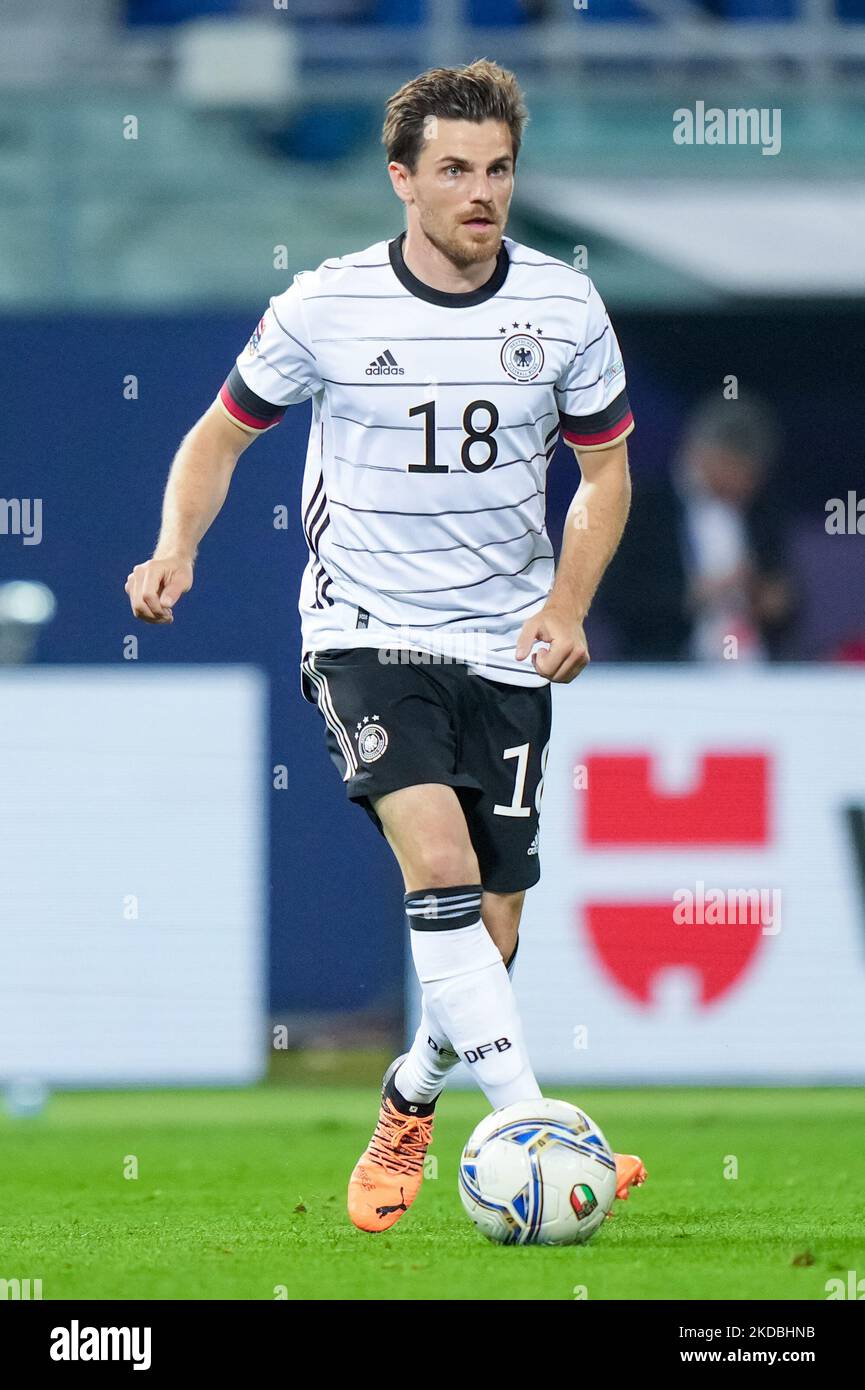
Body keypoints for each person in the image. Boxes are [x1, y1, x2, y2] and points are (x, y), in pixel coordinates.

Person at [125, 59, 646, 1232]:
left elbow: (606, 474)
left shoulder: (564, 307)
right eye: (455, 170)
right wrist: (177, 549)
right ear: (401, 179)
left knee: (493, 923)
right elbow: (217, 438)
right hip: (365, 628)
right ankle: (532, 1122)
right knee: (440, 862)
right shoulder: (326, 304)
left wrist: (565, 605)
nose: (481, 193)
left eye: (499, 170)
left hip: (506, 641)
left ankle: (412, 1093)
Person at [600, 392, 793, 661]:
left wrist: (771, 601)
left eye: (752, 473)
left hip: (753, 668)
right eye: (735, 468)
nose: (745, 483)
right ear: (703, 452)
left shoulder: (761, 511)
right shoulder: (644, 507)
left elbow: (786, 596)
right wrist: (692, 595)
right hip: (664, 668)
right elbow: (614, 598)